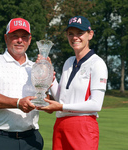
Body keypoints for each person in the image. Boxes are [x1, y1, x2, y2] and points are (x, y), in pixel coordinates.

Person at [38, 16, 108, 150]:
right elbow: (61, 98)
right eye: (71, 34)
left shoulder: (97, 63)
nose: (75, 37)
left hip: (83, 127)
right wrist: (50, 79)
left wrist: (61, 107)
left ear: (90, 34)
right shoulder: (68, 62)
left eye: (80, 33)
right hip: (60, 125)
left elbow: (96, 104)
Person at [0, 18, 44, 150]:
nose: (20, 40)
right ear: (6, 38)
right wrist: (18, 103)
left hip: (32, 139)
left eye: (24, 37)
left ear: (30, 40)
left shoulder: (36, 67)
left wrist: (48, 78)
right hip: (2, 139)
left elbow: (45, 99)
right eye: (15, 36)